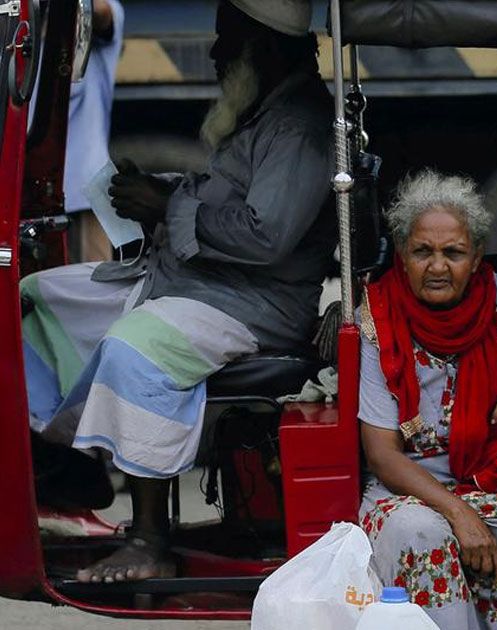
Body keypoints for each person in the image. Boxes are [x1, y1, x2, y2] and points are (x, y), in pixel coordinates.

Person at [21, 0, 334, 582]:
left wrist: (169, 205)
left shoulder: (300, 126)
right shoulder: (261, 111)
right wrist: (155, 192)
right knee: (35, 297)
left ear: (262, 47)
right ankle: (64, 468)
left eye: (225, 42)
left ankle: (148, 540)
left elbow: (266, 236)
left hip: (251, 307)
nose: (215, 54)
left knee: (136, 346)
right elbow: (221, 199)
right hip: (193, 283)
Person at [356, 170, 497, 630]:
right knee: (419, 532)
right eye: (423, 252)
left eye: (453, 253)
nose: (438, 267)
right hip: (408, 492)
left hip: (493, 474)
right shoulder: (377, 319)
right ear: (402, 254)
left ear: (476, 257)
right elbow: (382, 456)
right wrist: (459, 514)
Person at [64, 0, 124, 263]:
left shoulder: (98, 11)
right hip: (31, 184)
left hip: (85, 190)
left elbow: (101, 14)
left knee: (94, 285)